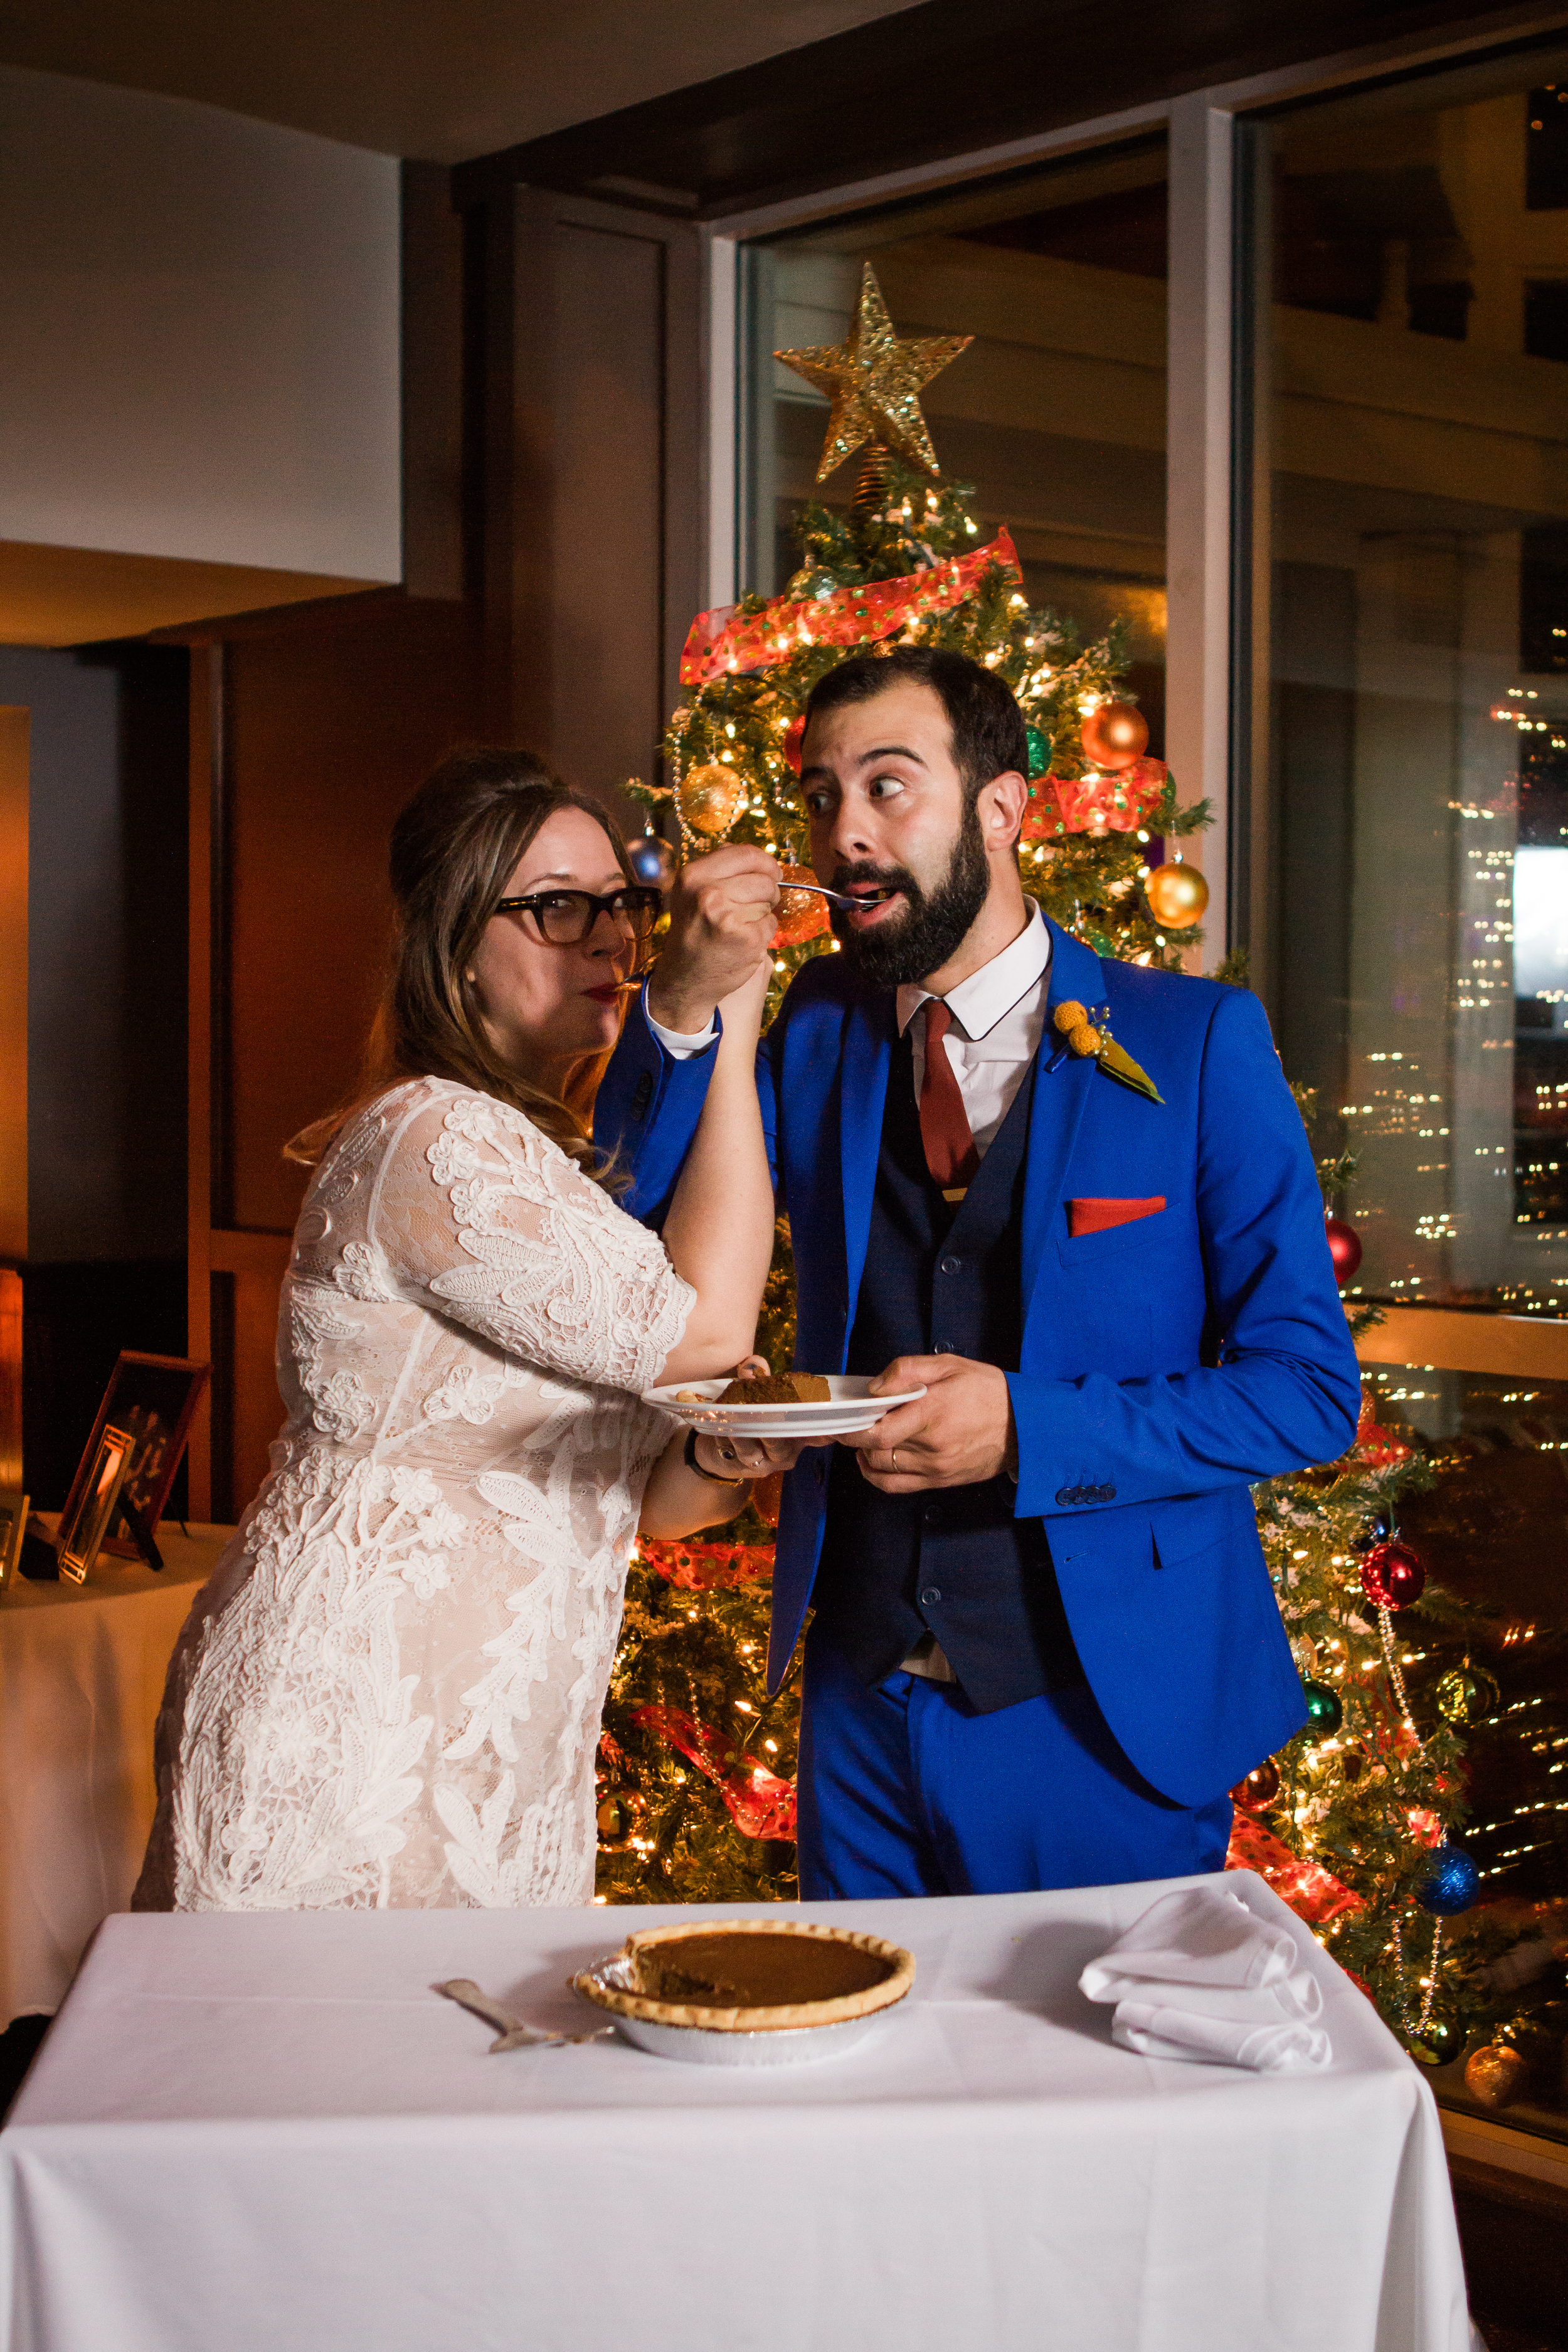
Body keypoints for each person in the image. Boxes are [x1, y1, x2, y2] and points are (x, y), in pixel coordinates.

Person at [593, 647, 1362, 1901]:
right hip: (857, 1706)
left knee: (1083, 2095)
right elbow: (622, 1216)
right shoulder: (816, 1032)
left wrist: (1024, 1425)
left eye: (887, 788)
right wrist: (680, 1005)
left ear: (1001, 810)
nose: (846, 833)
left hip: (1099, 1719)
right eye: (820, 797)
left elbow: (1303, 1394)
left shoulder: (1194, 1043)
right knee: (866, 2083)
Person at [134, 749, 779, 1913]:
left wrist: (720, 1453)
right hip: (347, 1714)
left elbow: (650, 1499)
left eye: (621, 905)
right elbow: (708, 1327)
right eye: (555, 907)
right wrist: (728, 1013)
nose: (613, 940)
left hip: (501, 1743)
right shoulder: (432, 1138)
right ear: (454, 946)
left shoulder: (550, 1169)